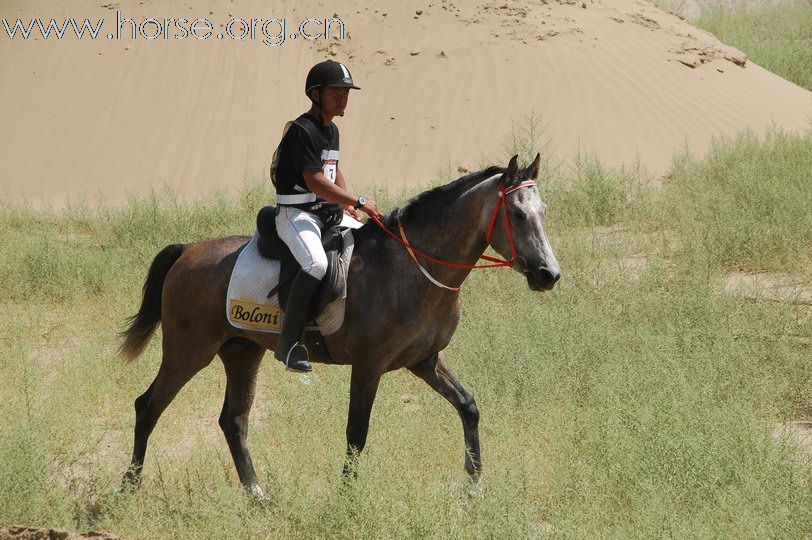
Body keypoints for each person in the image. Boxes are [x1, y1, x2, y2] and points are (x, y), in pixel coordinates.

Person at [269, 59, 381, 373]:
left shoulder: (331, 130)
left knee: (369, 239)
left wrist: (347, 205)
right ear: (316, 94)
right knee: (316, 263)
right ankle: (289, 343)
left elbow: (332, 172)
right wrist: (357, 200)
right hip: (296, 214)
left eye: (346, 92)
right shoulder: (302, 130)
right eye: (336, 91)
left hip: (326, 212)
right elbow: (315, 181)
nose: (343, 97)